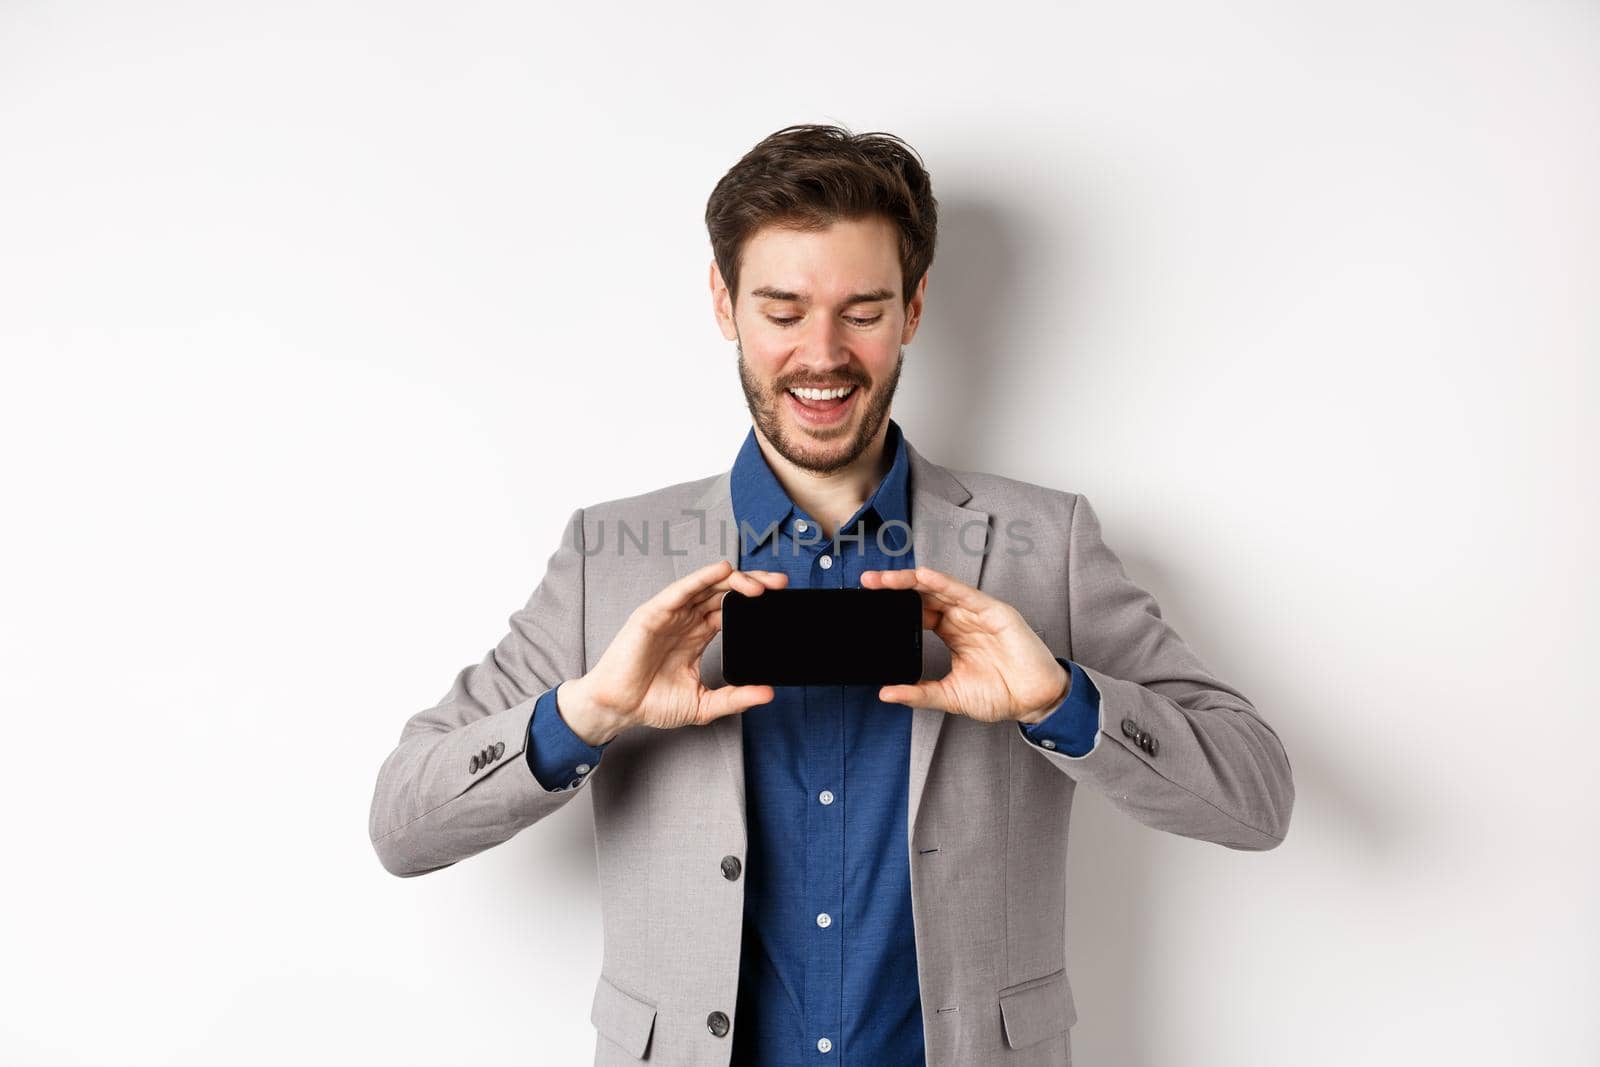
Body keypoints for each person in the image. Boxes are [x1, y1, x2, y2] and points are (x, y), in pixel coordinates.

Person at [368, 123, 1295, 1067]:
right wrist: (585, 713)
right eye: (782, 309)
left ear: (915, 307)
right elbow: (402, 824)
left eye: (861, 309)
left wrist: (1062, 700)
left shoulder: (1041, 546)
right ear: (724, 304)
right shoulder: (611, 556)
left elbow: (1256, 799)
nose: (822, 353)